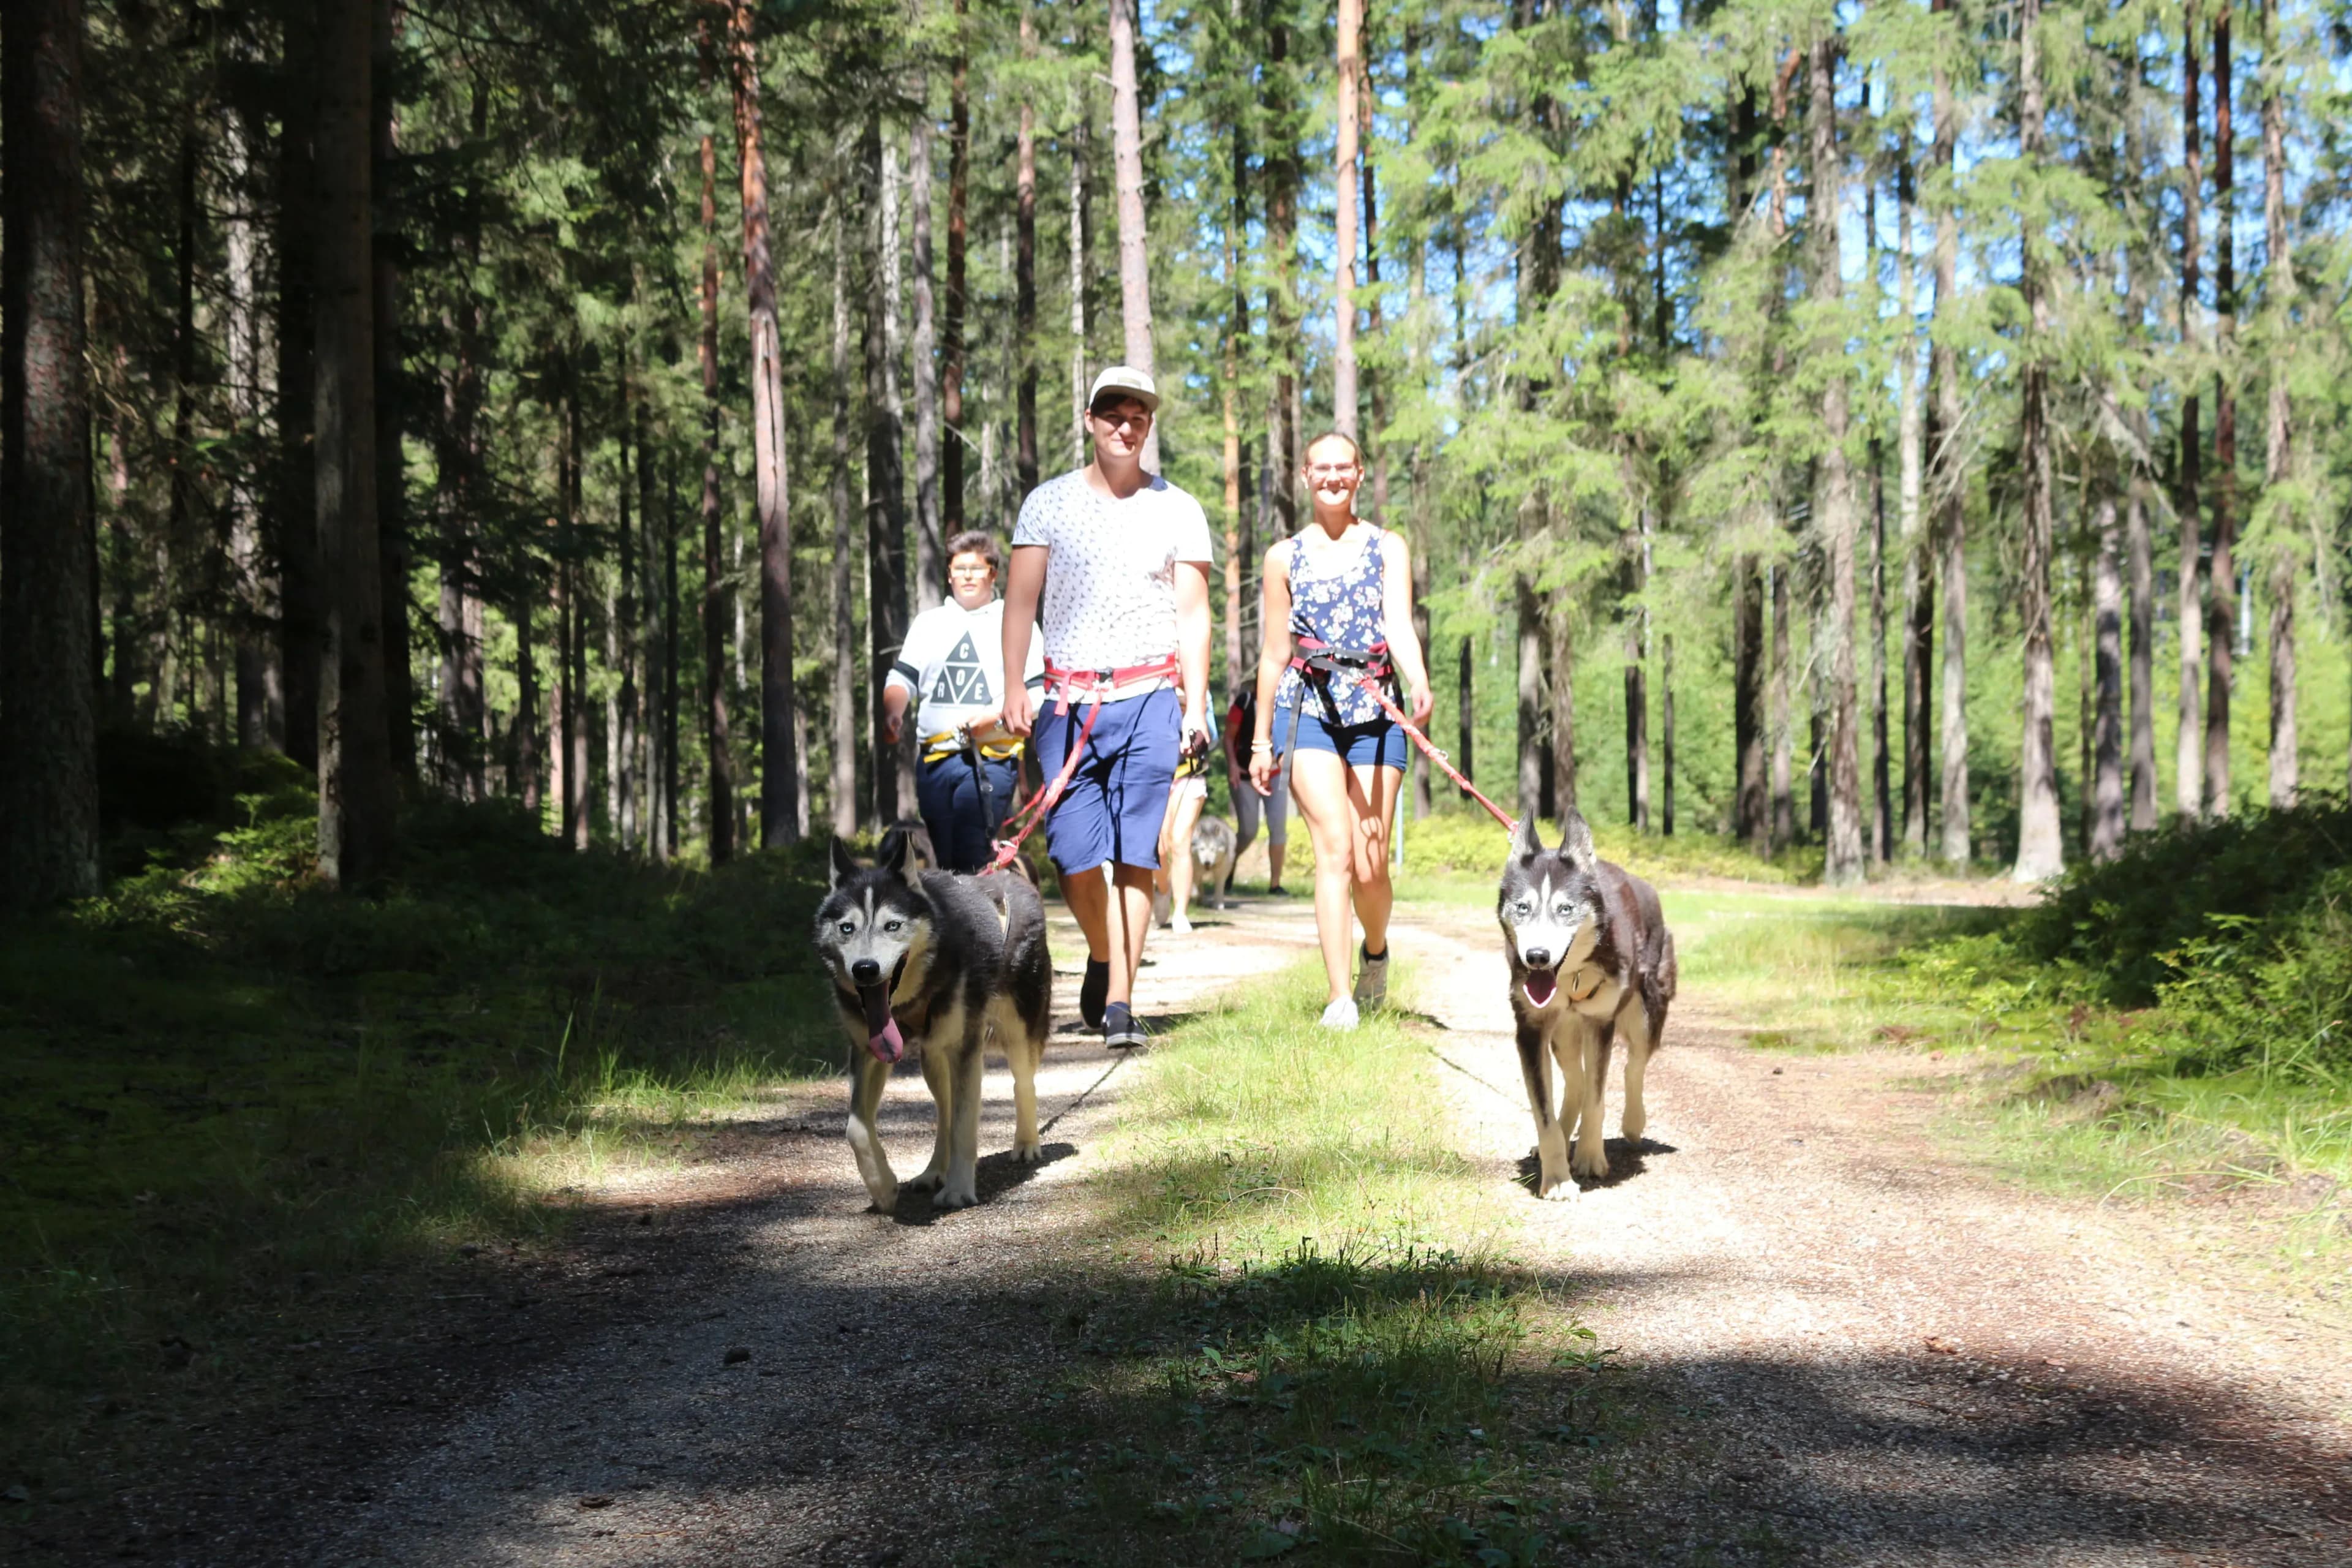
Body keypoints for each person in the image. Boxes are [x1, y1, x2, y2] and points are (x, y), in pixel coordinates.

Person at [1003, 366, 1215, 1049]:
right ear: (1090, 420)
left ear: (1149, 425)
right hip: (1068, 702)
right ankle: (1103, 952)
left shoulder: (1178, 508)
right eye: (1113, 414)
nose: (1126, 426)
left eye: (1139, 416)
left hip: (1152, 694)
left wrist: (1194, 708)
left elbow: (1194, 614)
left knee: (1135, 853)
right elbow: (1020, 602)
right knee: (1070, 853)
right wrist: (1015, 685)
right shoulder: (1048, 503)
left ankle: (1120, 1001)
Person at [1246, 430, 1433, 1030]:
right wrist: (1258, 738)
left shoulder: (1386, 547)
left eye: (1343, 467)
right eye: (1321, 467)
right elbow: (1274, 652)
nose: (1332, 476)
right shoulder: (1284, 557)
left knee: (1371, 862)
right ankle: (1339, 997)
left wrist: (1418, 676)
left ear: (1358, 475)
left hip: (1376, 707)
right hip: (1307, 708)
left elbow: (1398, 624)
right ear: (1305, 476)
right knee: (1335, 849)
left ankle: (1374, 953)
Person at [883, 530, 1045, 872]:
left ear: (993, 573)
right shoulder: (928, 624)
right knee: (944, 856)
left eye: (976, 567)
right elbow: (902, 677)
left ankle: (975, 924)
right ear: (949, 575)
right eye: (960, 568)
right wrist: (893, 712)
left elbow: (1037, 693)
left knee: (972, 848)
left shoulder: (1016, 622)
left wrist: (996, 719)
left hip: (990, 760)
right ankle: (963, 922)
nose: (968, 575)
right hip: (935, 761)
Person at [1223, 680, 1291, 894]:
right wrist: (1232, 765)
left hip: (1275, 775)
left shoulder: (1285, 702)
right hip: (1244, 775)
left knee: (1278, 828)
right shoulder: (1245, 702)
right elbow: (1228, 738)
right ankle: (1226, 868)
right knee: (1249, 830)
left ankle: (1275, 884)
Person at [1155, 742, 1208, 933]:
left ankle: (1180, 913)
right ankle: (1163, 889)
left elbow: (1209, 733)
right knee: (1158, 847)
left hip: (1189, 773)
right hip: (1153, 774)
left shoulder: (1196, 709)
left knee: (1180, 841)